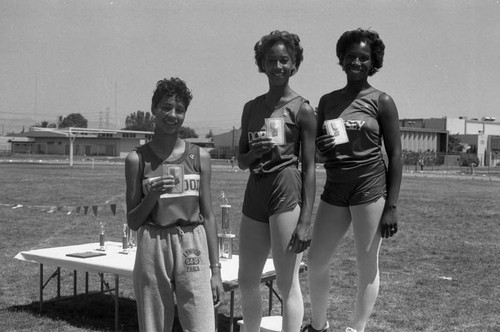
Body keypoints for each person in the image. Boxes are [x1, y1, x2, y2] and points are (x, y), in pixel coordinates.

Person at [302, 28, 402, 332]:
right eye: (350, 57)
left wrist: (392, 206)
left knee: (366, 264)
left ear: (373, 62)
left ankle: (356, 328)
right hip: (336, 189)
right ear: (341, 60)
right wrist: (322, 147)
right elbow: (317, 151)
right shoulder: (328, 101)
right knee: (316, 260)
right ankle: (318, 326)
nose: (356, 62)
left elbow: (396, 155)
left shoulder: (382, 101)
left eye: (363, 58)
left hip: (369, 190)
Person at [125, 77, 224, 332]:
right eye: (166, 107)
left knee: (202, 324)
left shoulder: (199, 156)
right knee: (153, 325)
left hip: (192, 242)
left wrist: (216, 271)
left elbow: (209, 215)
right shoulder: (137, 159)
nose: (172, 115)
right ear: (153, 110)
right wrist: (152, 196)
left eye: (179, 110)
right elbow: (133, 222)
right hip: (153, 243)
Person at [237, 30, 317, 332]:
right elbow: (241, 159)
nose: (278, 66)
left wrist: (306, 220)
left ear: (294, 64)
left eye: (284, 60)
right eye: (271, 60)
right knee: (247, 280)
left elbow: (309, 168)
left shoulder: (303, 109)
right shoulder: (251, 108)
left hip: (286, 187)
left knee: (286, 282)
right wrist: (252, 153)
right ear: (262, 64)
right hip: (255, 189)